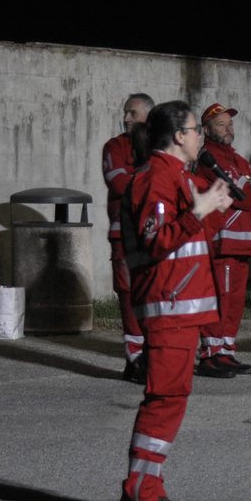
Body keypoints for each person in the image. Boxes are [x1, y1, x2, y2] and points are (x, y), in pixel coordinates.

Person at [117, 101, 231, 501]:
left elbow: (188, 238)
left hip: (181, 309)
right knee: (163, 401)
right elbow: (158, 240)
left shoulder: (178, 176)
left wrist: (210, 208)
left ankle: (151, 489)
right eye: (195, 129)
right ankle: (139, 496)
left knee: (172, 401)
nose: (201, 136)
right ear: (179, 136)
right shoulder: (155, 176)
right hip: (168, 307)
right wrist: (199, 210)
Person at [193, 103, 251, 377]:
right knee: (220, 298)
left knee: (235, 300)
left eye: (230, 124)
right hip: (222, 242)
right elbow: (245, 196)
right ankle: (210, 355)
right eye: (221, 124)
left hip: (241, 244)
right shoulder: (209, 158)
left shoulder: (235, 158)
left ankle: (226, 351)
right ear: (207, 129)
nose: (228, 129)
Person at [102, 93, 153, 382]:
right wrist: (152, 179)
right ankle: (135, 361)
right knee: (129, 296)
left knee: (152, 297)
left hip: (155, 234)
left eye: (132, 113)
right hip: (124, 235)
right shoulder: (115, 146)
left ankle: (152, 356)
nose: (126, 118)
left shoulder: (160, 144)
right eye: (125, 113)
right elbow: (119, 182)